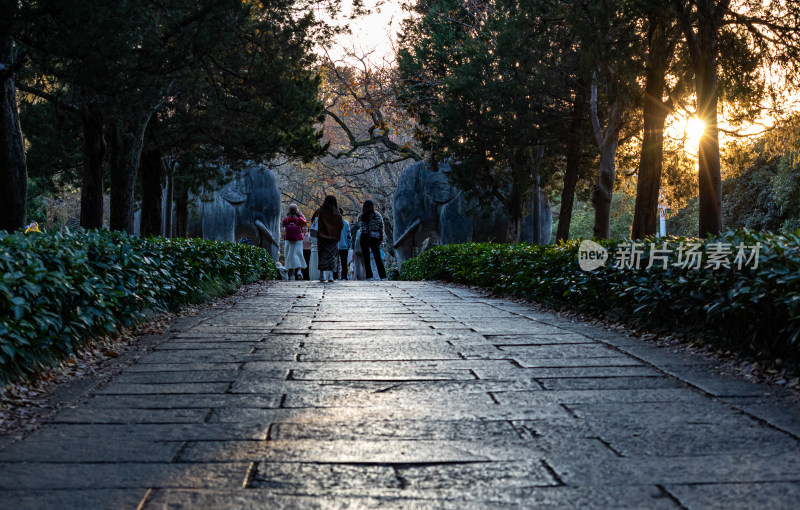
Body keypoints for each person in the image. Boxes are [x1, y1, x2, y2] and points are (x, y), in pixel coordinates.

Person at [314, 195, 344, 282]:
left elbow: (313, 220)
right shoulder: (337, 213)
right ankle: (330, 276)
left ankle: (322, 275)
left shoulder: (320, 211)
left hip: (321, 236)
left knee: (322, 255)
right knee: (331, 256)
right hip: (333, 237)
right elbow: (341, 225)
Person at [358, 199, 387, 281]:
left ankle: (369, 276)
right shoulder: (377, 215)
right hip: (374, 237)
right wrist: (381, 238)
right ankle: (383, 276)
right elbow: (381, 227)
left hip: (364, 237)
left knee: (366, 258)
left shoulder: (361, 216)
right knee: (378, 257)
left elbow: (361, 227)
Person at [281, 204, 307, 281]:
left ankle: (292, 276)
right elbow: (304, 222)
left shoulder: (286, 220)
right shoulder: (299, 219)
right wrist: (300, 214)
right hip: (298, 239)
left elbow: (283, 224)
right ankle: (299, 271)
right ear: (296, 210)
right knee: (298, 255)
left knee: (289, 256)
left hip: (288, 239)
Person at [337, 207, 351, 280]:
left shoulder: (344, 223)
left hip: (340, 245)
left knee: (341, 262)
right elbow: (349, 235)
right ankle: (341, 277)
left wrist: (349, 245)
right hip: (340, 245)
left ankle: (340, 276)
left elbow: (349, 235)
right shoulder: (345, 223)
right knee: (341, 263)